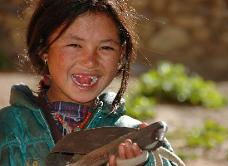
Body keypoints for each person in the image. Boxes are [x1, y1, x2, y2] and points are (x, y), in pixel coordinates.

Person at [0, 0, 182, 166]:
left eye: (105, 48)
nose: (90, 61)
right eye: (75, 45)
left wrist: (143, 162)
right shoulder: (8, 128)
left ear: (121, 54)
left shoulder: (135, 137)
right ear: (43, 48)